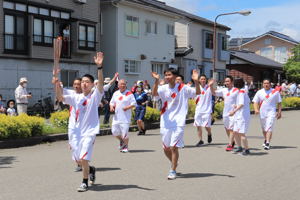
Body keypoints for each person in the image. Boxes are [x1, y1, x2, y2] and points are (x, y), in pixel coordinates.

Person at [53, 52, 105, 192]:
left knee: (84, 157)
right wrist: (57, 84)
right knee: (78, 159)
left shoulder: (95, 96)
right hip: (77, 131)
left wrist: (99, 67)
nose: (83, 84)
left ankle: (84, 182)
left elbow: (100, 84)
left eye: (86, 82)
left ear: (91, 85)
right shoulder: (76, 97)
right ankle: (91, 169)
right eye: (82, 82)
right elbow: (60, 98)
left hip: (89, 132)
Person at [152, 68, 200, 180]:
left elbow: (197, 92)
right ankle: (174, 162)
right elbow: (154, 94)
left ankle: (172, 169)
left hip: (178, 122)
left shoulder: (183, 88)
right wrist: (156, 81)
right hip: (165, 121)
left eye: (169, 75)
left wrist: (196, 81)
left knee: (174, 147)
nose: (167, 77)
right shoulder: (163, 88)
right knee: (166, 148)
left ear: (174, 76)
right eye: (166, 75)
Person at [253, 78, 282, 150]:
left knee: (269, 127)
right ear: (262, 84)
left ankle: (267, 143)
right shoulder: (259, 92)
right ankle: (266, 139)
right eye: (264, 83)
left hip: (271, 112)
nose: (266, 85)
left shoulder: (275, 92)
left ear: (270, 84)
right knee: (264, 129)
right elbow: (255, 101)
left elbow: (279, 102)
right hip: (262, 113)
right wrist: (256, 109)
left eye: (267, 83)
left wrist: (279, 112)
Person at [61, 78, 83, 172]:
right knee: (73, 145)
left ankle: (82, 164)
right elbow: (61, 92)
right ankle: (79, 163)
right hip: (72, 123)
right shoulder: (71, 93)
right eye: (74, 84)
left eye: (78, 84)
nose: (76, 86)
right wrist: (58, 84)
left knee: (80, 145)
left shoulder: (86, 95)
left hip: (82, 125)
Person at [110, 79, 136, 153]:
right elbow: (111, 102)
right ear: (118, 85)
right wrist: (111, 107)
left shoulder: (129, 93)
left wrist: (127, 107)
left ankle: (125, 147)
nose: (122, 85)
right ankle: (122, 141)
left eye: (124, 84)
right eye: (121, 84)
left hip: (125, 117)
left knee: (124, 133)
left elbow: (134, 104)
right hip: (116, 117)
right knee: (114, 132)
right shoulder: (115, 93)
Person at [214, 76, 239, 152]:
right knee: (227, 128)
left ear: (232, 82)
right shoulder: (224, 90)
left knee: (231, 129)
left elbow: (241, 100)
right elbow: (214, 93)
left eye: (228, 81)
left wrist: (236, 108)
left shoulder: (236, 90)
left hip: (233, 112)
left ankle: (230, 144)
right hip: (226, 112)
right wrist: (210, 85)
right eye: (225, 81)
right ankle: (232, 141)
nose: (226, 83)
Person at [229, 78, 251, 155]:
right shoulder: (241, 91)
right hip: (239, 115)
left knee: (241, 133)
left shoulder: (241, 92)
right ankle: (239, 147)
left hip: (242, 116)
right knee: (235, 132)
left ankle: (247, 149)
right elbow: (246, 102)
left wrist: (233, 111)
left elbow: (242, 104)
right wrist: (236, 106)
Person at [194, 75, 214, 146]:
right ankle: (200, 140)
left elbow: (213, 92)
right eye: (201, 79)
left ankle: (209, 133)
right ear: (199, 80)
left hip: (207, 110)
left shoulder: (209, 87)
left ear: (206, 80)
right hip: (198, 110)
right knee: (198, 125)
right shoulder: (197, 88)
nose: (203, 80)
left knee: (206, 126)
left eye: (204, 79)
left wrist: (211, 85)